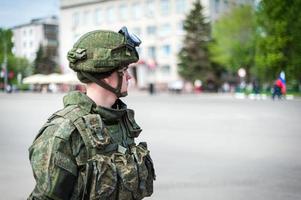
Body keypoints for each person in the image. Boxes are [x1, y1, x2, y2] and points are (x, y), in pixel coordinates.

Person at [28, 27, 156, 200]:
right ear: (105, 77)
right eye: (124, 70)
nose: (129, 77)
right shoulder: (63, 132)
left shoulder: (118, 119)